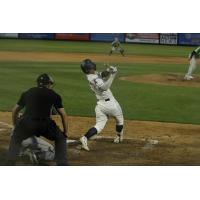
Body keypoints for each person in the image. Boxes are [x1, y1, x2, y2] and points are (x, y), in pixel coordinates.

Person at [7, 73, 68, 165]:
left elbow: (14, 110)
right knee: (61, 138)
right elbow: (63, 115)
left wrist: (16, 126)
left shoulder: (27, 92)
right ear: (48, 84)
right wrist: (65, 132)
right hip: (45, 124)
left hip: (27, 123)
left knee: (15, 137)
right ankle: (62, 164)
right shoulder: (54, 95)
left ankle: (10, 163)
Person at [79, 59, 124, 151]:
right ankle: (118, 137)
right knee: (120, 121)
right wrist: (113, 75)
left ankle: (85, 138)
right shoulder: (94, 78)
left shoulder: (91, 76)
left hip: (100, 105)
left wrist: (108, 71)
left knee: (99, 126)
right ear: (88, 69)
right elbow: (104, 87)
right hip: (111, 104)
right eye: (91, 66)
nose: (93, 67)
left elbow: (101, 75)